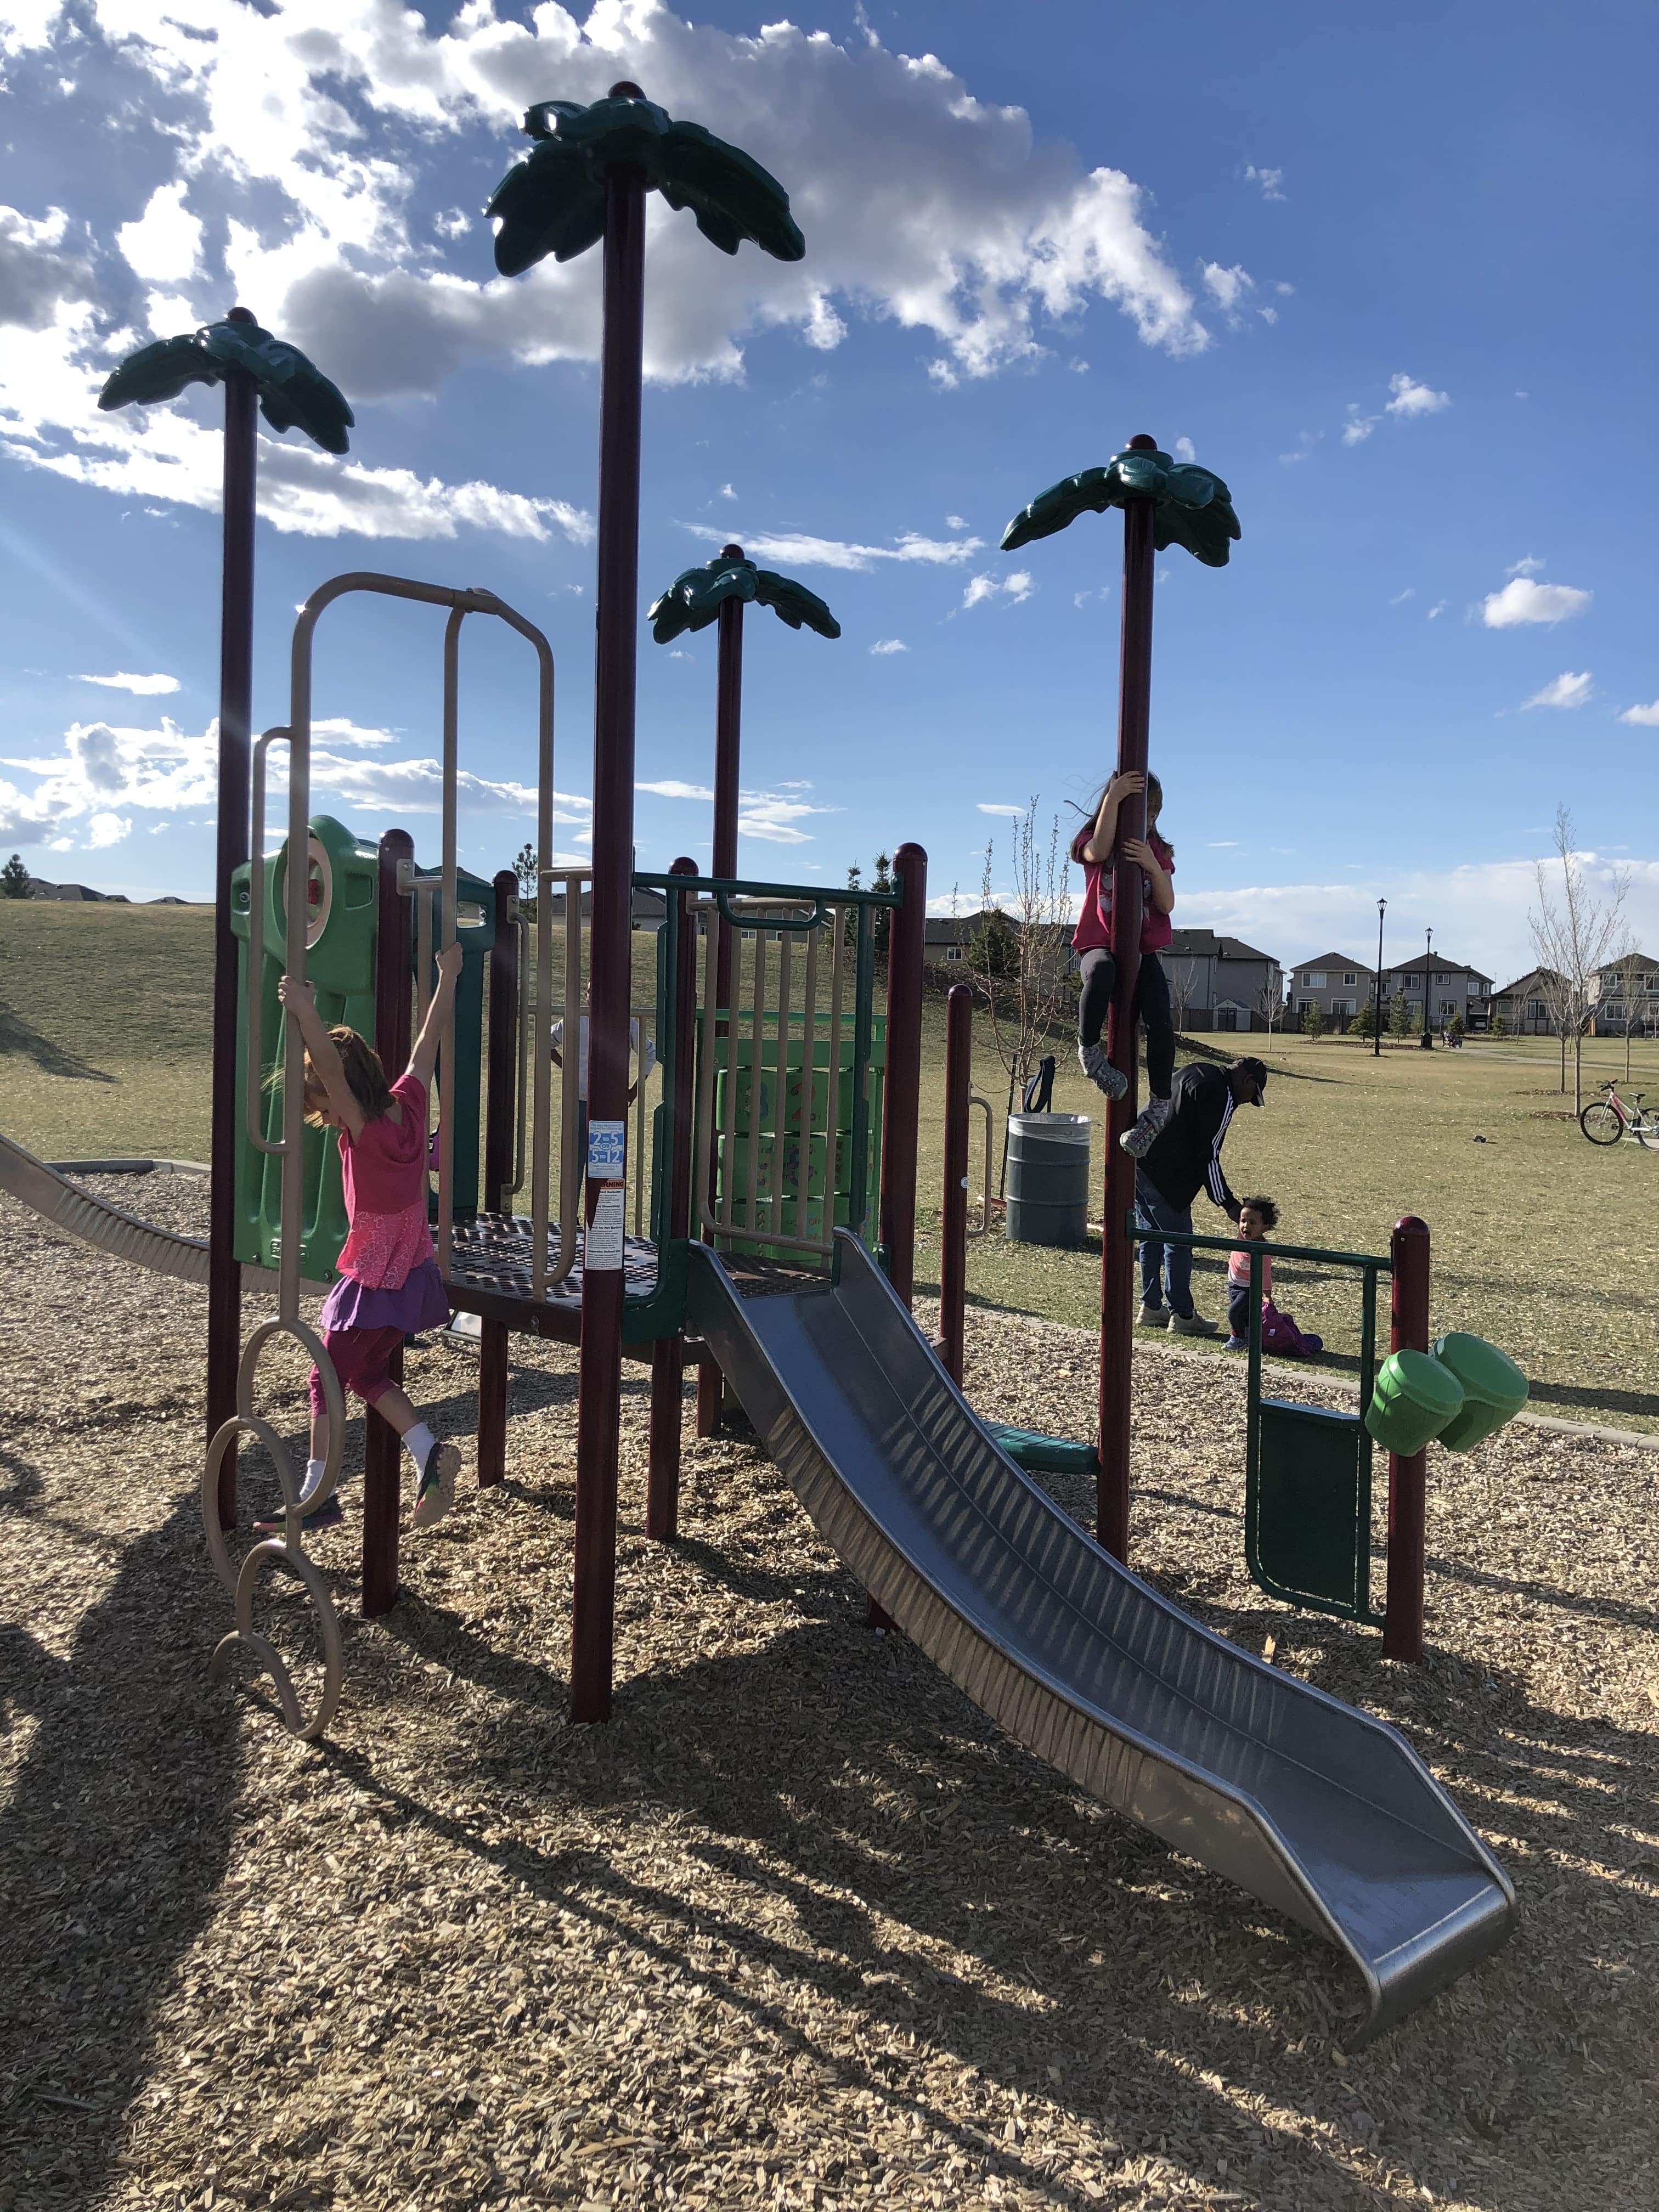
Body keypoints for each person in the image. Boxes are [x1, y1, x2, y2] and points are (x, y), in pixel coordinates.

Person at [256, 944, 464, 1535]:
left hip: (373, 1273)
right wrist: (446, 977)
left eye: (321, 1097)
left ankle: (319, 1494)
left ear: (340, 1090)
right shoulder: (409, 1103)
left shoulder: (362, 1123)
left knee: (323, 1373)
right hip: (411, 1270)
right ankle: (427, 1451)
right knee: (366, 1376)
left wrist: (304, 1010)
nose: (319, 1107)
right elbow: (428, 1043)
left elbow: (325, 1062)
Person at [1069, 769, 1176, 1127]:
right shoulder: (1094, 839)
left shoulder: (1155, 852)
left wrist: (1151, 865)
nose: (1146, 822)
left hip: (1141, 952)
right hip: (1097, 944)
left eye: (1152, 815)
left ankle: (1160, 1104)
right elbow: (1096, 849)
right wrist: (1114, 798)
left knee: (1160, 1014)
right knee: (1102, 971)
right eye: (1141, 812)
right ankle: (1089, 1052)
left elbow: (1167, 904)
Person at [1135, 1056, 1267, 1335]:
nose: (1248, 1102)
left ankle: (1151, 1307)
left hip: (1139, 1164)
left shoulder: (1195, 1070)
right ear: (1247, 1080)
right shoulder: (1223, 1095)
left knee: (1151, 1238)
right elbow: (1209, 1154)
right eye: (1253, 1095)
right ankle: (1182, 1315)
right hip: (1170, 1178)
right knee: (1179, 1244)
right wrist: (1229, 1204)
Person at [549, 999, 656, 1192]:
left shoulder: (628, 1024)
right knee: (575, 1160)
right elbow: (546, 1040)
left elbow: (649, 1053)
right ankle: (571, 1216)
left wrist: (634, 1091)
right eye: (592, 990)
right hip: (580, 1100)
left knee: (606, 1162)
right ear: (587, 995)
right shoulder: (574, 1020)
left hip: (611, 1104)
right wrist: (567, 1068)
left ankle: (601, 1216)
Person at [1223, 1196, 1324, 1355]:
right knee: (1244, 1315)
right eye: (1243, 1221)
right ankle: (1251, 1336)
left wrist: (1266, 1295)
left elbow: (1265, 1275)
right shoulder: (1241, 1235)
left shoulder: (1262, 1251)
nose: (1245, 1226)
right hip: (1234, 1284)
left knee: (1234, 1313)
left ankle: (1238, 1338)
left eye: (1253, 1223)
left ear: (1265, 1227)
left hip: (1250, 1288)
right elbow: (1233, 1212)